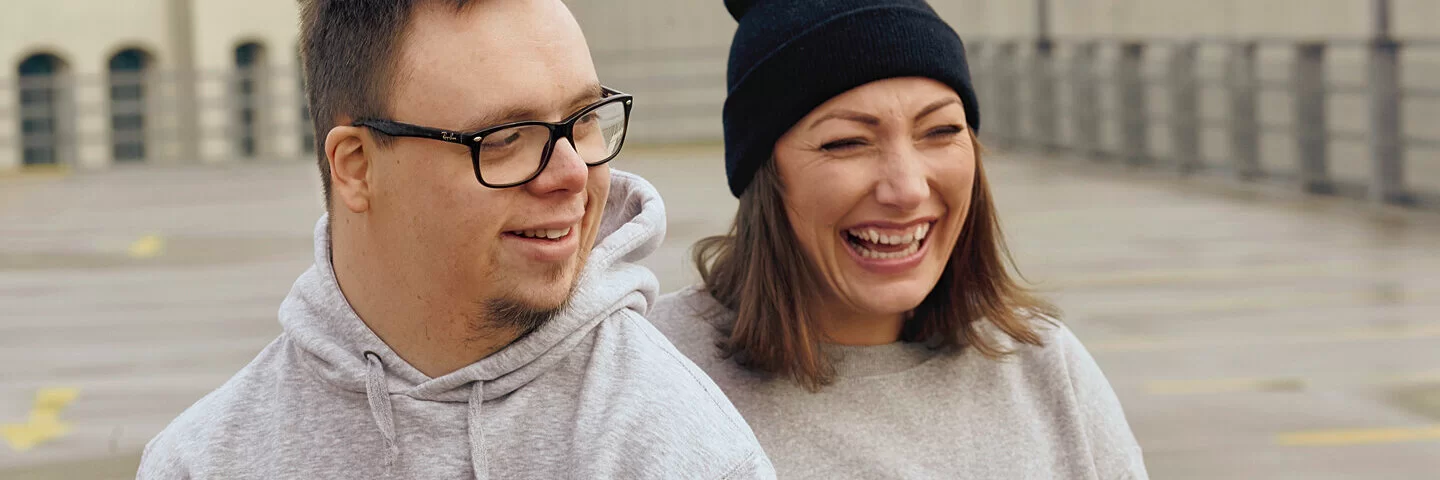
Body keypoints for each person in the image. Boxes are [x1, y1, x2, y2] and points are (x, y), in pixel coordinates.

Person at [137, 0, 774, 478]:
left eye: (582, 120)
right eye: (502, 138)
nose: (573, 174)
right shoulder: (203, 462)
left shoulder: (687, 452)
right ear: (357, 165)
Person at [649, 0, 1149, 478]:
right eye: (847, 142)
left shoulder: (1042, 363)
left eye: (940, 131)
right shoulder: (653, 378)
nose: (907, 189)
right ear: (764, 176)